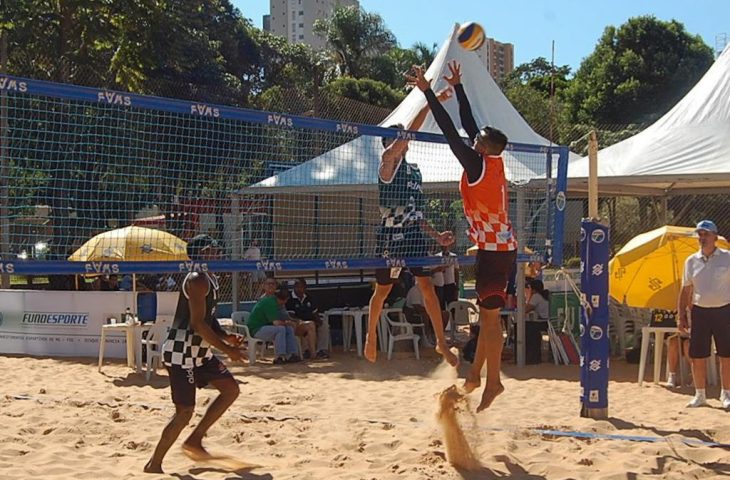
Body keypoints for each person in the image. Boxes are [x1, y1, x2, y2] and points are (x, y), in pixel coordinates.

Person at [410, 61, 517, 412]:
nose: (473, 139)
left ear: (483, 149)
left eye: (478, 141)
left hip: (495, 253)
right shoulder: (493, 161)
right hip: (501, 249)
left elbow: (451, 131)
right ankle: (474, 377)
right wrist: (458, 88)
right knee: (487, 319)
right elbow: (471, 126)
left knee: (489, 322)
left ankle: (495, 381)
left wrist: (427, 92)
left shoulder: (475, 164)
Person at [363, 83, 458, 367]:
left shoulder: (414, 170)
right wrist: (432, 99)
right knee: (383, 291)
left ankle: (441, 343)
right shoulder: (387, 164)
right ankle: (370, 338)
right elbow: (408, 134)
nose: (402, 143)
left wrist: (436, 235)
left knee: (427, 286)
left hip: (413, 235)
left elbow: (417, 213)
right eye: (397, 140)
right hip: (390, 236)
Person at [145, 235, 244, 474]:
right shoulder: (197, 279)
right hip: (181, 354)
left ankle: (195, 440)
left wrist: (226, 335)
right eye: (212, 249)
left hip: (200, 353)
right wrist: (228, 349)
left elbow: (208, 320)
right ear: (201, 253)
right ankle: (154, 464)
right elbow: (198, 324)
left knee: (231, 390)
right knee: (185, 412)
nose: (217, 252)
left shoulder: (211, 279)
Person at [678, 220, 730, 408]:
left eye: (706, 234)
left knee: (726, 354)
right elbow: (685, 290)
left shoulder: (727, 257)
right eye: (700, 234)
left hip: (724, 310)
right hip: (699, 311)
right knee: (698, 355)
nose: (702, 238)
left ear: (715, 237)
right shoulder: (691, 261)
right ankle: (700, 395)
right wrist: (681, 316)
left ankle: (726, 394)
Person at [248, 281, 301, 364]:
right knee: (281, 329)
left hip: (266, 327)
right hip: (256, 329)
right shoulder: (270, 303)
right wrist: (287, 323)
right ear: (285, 300)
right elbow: (276, 323)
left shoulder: (276, 303)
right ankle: (279, 356)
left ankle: (291, 354)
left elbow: (282, 318)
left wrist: (289, 323)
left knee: (289, 329)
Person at [287, 278, 330, 359]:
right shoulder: (290, 299)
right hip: (297, 323)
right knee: (310, 325)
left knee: (324, 325)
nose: (299, 289)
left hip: (310, 320)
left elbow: (314, 312)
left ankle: (321, 350)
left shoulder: (309, 297)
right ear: (294, 287)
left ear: (305, 288)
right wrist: (301, 321)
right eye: (297, 287)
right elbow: (291, 315)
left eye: (301, 287)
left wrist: (319, 321)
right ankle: (307, 351)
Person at [524, 279, 549, 364]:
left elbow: (525, 309)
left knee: (527, 327)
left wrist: (529, 296)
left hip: (543, 322)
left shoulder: (536, 296)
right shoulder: (544, 295)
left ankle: (530, 356)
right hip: (548, 321)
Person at [432, 244, 460, 311]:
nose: (444, 247)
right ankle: (443, 320)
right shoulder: (436, 257)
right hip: (439, 285)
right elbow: (432, 271)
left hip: (450, 284)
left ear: (449, 246)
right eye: (443, 245)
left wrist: (457, 286)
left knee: (452, 306)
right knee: (441, 306)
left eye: (446, 245)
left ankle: (453, 320)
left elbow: (456, 272)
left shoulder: (453, 257)